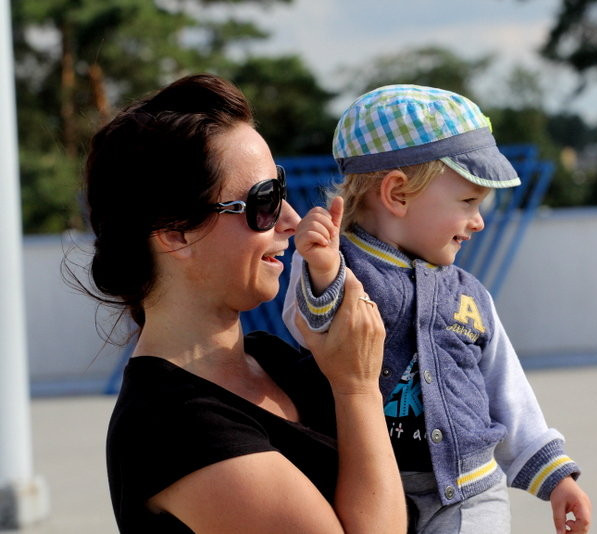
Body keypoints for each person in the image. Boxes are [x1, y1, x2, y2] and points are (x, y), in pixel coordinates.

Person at [81, 73, 406, 533]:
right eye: (265, 201)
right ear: (177, 234)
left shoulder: (272, 359)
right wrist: (357, 389)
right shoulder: (172, 426)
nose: (292, 221)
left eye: (282, 190)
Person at [282, 85, 592, 534]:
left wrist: (555, 475)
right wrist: (324, 269)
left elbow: (507, 389)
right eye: (468, 202)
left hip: (470, 492)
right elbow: (308, 323)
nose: (479, 221)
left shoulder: (470, 296)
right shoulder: (334, 263)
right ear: (397, 194)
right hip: (364, 489)